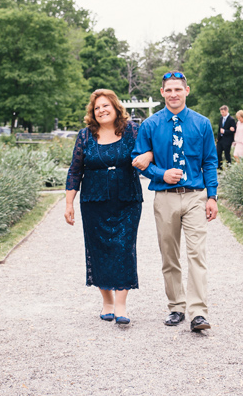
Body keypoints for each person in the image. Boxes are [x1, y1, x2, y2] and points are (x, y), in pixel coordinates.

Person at [132, 71, 219, 332]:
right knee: (169, 255)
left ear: (187, 91)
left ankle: (198, 313)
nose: (173, 94)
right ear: (162, 93)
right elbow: (138, 161)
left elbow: (210, 161)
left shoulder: (202, 124)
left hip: (195, 196)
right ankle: (176, 307)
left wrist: (212, 196)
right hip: (165, 198)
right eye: (168, 90)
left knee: (196, 254)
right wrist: (161, 173)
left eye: (178, 90)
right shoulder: (150, 125)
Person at [64, 89, 145, 325]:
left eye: (106, 105)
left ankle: (121, 305)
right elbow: (75, 171)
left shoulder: (131, 130)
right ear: (93, 113)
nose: (101, 110)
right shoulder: (85, 136)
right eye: (97, 107)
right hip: (93, 202)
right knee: (99, 249)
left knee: (123, 248)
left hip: (127, 200)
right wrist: (68, 203)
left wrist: (148, 158)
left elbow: (148, 153)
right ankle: (107, 300)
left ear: (116, 107)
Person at [216, 105, 237, 169]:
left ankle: (229, 167)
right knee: (218, 153)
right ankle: (219, 167)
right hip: (220, 139)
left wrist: (225, 131)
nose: (222, 113)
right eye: (221, 112)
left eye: (223, 112)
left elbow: (234, 130)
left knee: (226, 154)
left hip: (227, 140)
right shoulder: (221, 118)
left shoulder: (231, 119)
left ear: (226, 111)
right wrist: (218, 137)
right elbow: (219, 129)